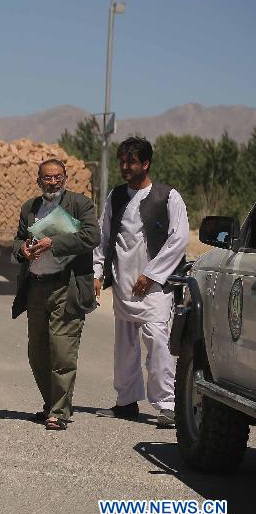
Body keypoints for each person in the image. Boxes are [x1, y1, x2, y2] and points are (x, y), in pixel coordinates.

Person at [93, 137, 189, 427]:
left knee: (158, 342)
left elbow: (179, 239)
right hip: (124, 285)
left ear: (145, 164)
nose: (124, 167)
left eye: (130, 162)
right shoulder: (116, 196)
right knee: (124, 347)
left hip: (155, 288)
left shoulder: (168, 196)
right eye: (122, 161)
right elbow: (104, 238)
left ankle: (167, 406)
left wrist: (152, 274)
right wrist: (97, 273)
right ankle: (126, 402)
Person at [12, 159, 100, 431]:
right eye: (47, 178)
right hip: (36, 287)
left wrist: (55, 243)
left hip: (66, 287)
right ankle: (50, 403)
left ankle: (59, 411)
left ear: (65, 178)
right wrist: (22, 250)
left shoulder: (80, 204)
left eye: (57, 177)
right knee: (37, 352)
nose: (53, 182)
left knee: (62, 352)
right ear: (38, 180)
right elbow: (17, 240)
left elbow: (92, 236)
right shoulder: (30, 208)